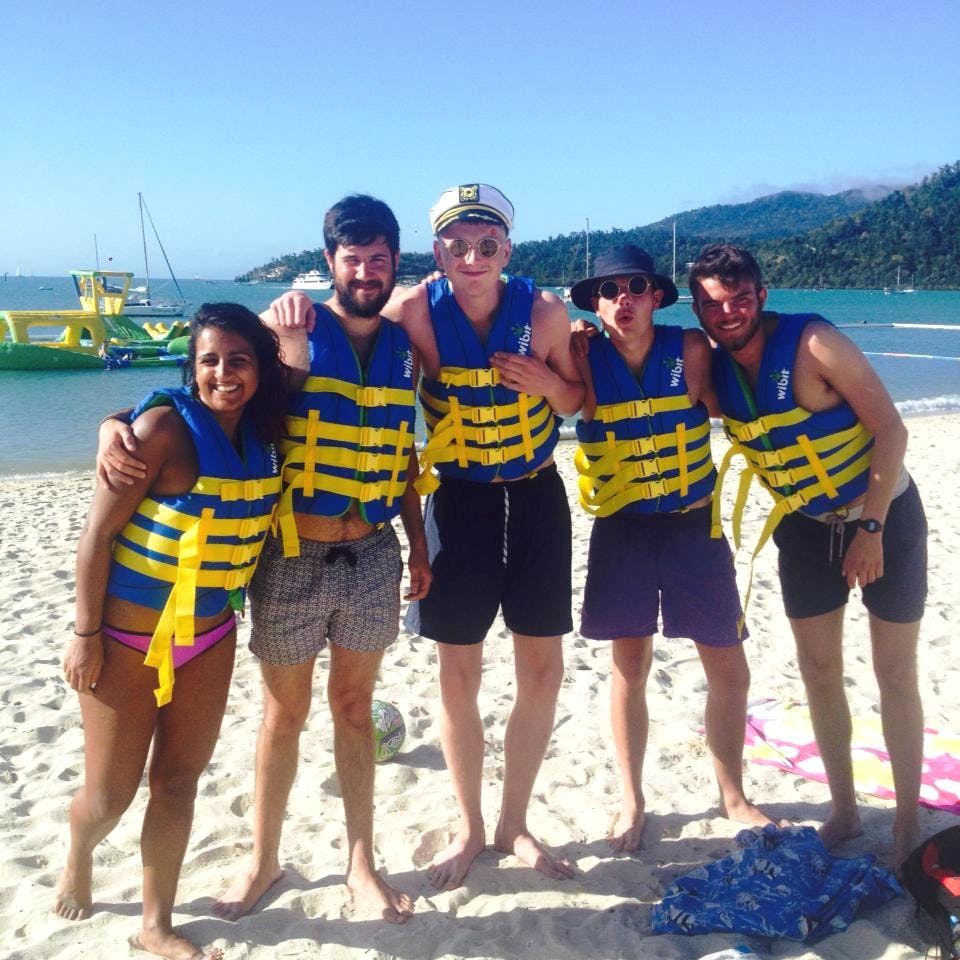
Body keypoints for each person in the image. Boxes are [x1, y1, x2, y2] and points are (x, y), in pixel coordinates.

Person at [96, 196, 430, 925]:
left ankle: (360, 864)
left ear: (394, 265)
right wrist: (114, 422)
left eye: (379, 260)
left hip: (375, 554)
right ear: (332, 263)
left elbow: (403, 452)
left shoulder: (406, 343)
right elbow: (208, 393)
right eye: (353, 259)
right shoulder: (292, 331)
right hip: (291, 555)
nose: (366, 272)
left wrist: (421, 544)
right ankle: (264, 859)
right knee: (284, 714)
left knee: (352, 709)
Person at [55, 303, 288, 960]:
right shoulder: (159, 430)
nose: (223, 374)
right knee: (108, 797)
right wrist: (85, 633)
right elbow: (95, 539)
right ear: (192, 367)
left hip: (210, 638)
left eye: (238, 359)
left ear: (259, 368)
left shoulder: (267, 433)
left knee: (179, 782)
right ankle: (80, 850)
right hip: (125, 643)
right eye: (209, 360)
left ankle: (154, 923)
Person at [687, 243, 927, 868]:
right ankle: (845, 812)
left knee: (893, 672)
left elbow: (892, 429)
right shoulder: (715, 371)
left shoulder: (814, 344)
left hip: (886, 516)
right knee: (819, 673)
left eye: (741, 299)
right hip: (805, 527)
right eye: (715, 305)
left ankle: (905, 822)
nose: (729, 313)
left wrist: (871, 529)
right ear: (699, 311)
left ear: (763, 297)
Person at [389, 183, 584, 887]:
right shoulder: (412, 312)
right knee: (459, 674)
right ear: (438, 250)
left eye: (488, 244)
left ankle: (514, 822)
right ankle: (471, 824)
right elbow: (335, 350)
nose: (473, 257)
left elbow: (575, 398)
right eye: (457, 244)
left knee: (541, 670)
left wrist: (544, 384)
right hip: (459, 502)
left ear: (508, 249)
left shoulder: (545, 312)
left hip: (535, 498)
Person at [568, 246, 773, 853]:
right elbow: (544, 374)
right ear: (596, 303)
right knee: (630, 668)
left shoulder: (689, 352)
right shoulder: (581, 357)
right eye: (608, 290)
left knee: (728, 664)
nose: (622, 299)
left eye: (635, 286)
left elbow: (736, 404)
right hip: (623, 530)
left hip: (693, 527)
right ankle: (632, 799)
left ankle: (732, 793)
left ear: (657, 296)